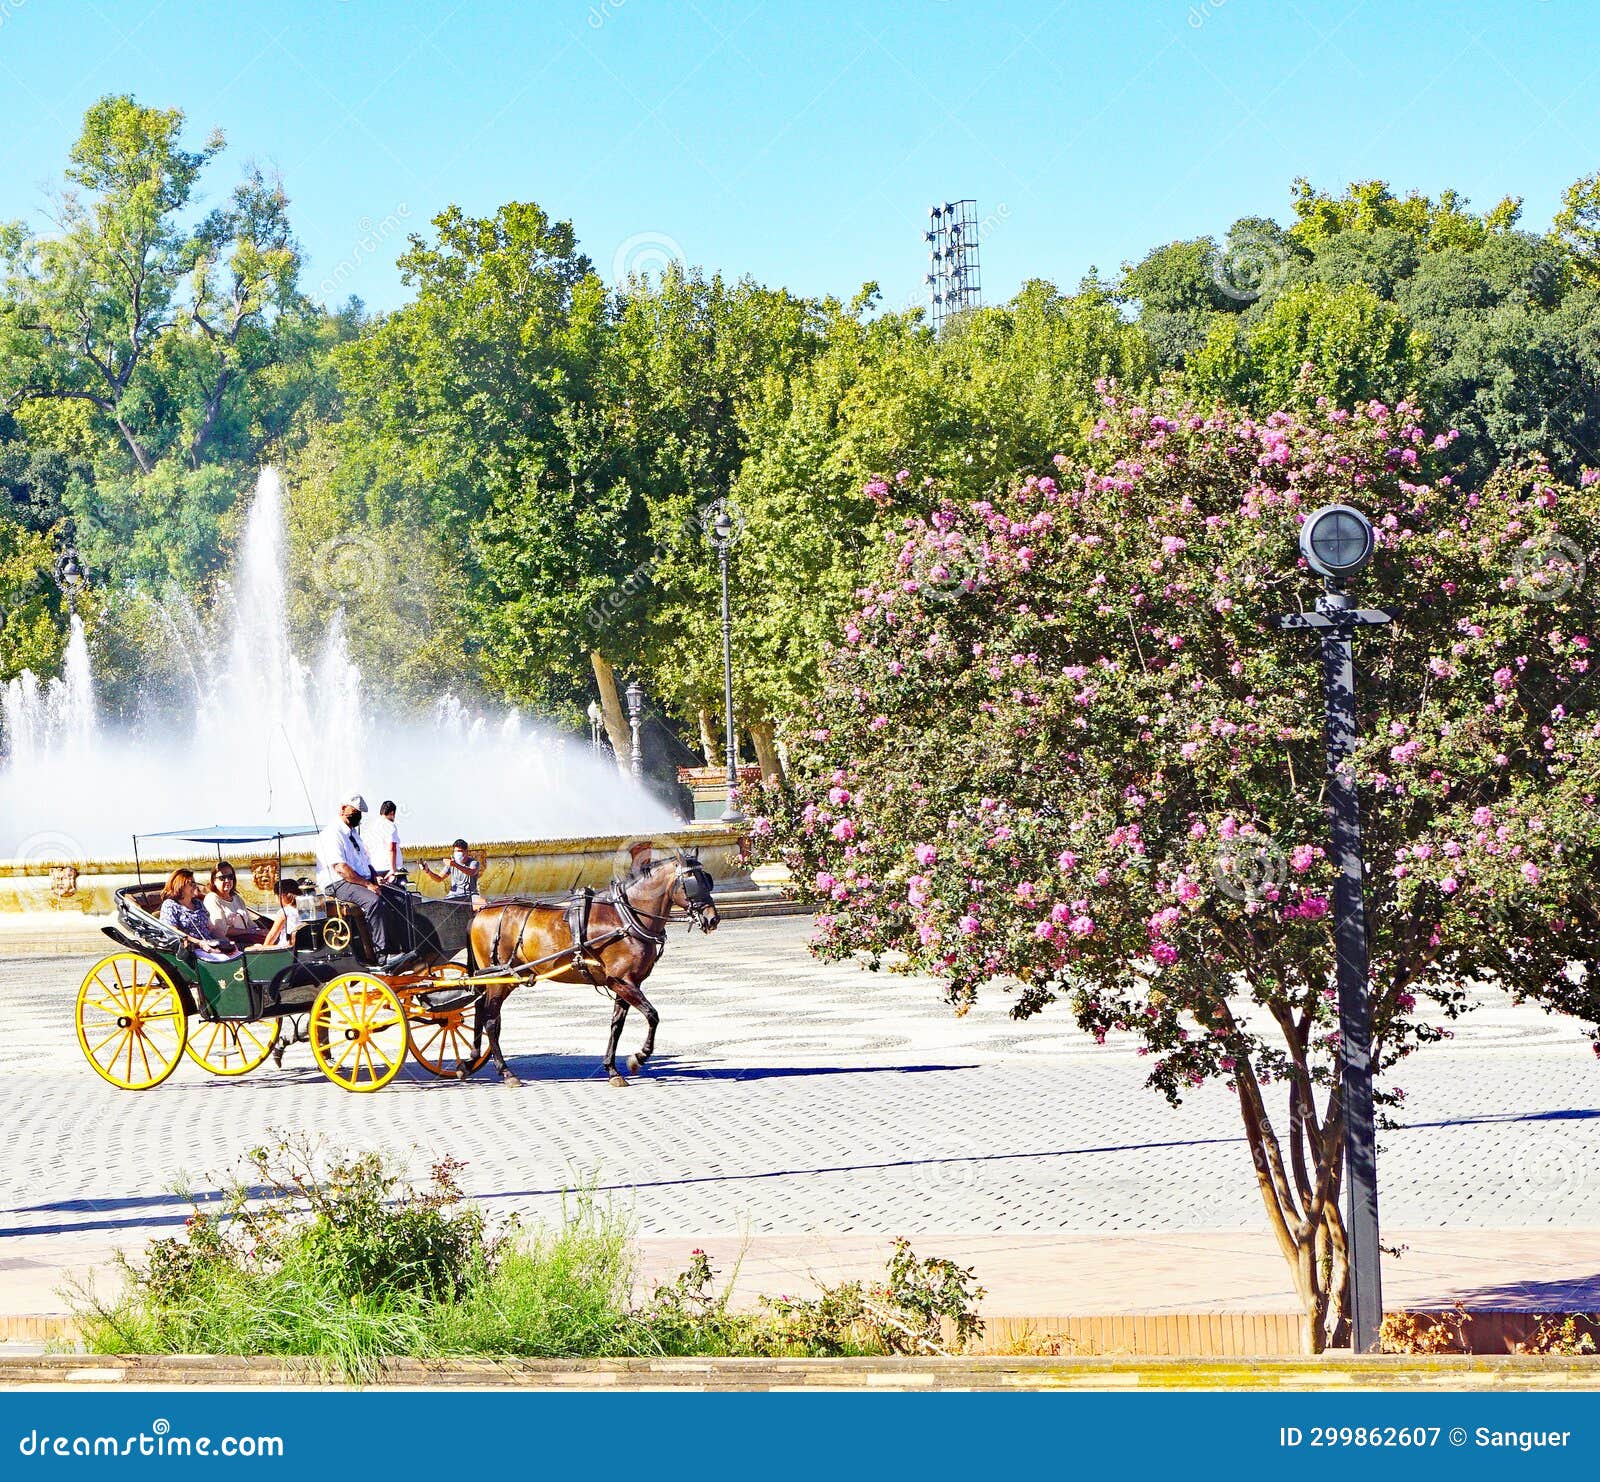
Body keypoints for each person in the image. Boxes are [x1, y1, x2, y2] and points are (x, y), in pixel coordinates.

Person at [315, 793, 410, 965]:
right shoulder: (331, 834)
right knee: (374, 901)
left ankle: (404, 947)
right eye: (355, 812)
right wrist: (368, 884)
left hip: (358, 879)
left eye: (360, 813)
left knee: (400, 897)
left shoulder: (354, 834)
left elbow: (365, 862)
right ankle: (382, 955)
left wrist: (375, 877)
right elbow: (341, 869)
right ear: (343, 809)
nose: (358, 816)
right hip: (338, 883)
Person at [159, 867, 240, 960]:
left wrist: (224, 940)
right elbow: (171, 930)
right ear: (180, 885)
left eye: (195, 882)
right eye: (191, 883)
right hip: (191, 949)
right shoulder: (170, 905)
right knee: (224, 960)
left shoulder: (198, 903)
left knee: (238, 955)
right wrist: (199, 943)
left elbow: (209, 927)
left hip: (209, 945)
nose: (195, 886)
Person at [204, 861, 267, 946]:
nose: (227, 881)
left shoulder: (237, 898)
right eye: (222, 878)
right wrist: (249, 932)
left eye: (230, 877)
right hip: (231, 943)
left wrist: (259, 931)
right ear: (214, 880)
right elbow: (221, 930)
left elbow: (249, 922)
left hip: (248, 938)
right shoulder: (212, 899)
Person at [258, 877, 306, 949]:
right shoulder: (305, 908)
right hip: (302, 945)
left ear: (282, 895)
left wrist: (263, 948)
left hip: (286, 947)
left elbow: (273, 935)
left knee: (251, 948)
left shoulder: (284, 912)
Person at [367, 800, 405, 879]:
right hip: (389, 869)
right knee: (399, 891)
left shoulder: (372, 827)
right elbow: (392, 848)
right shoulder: (390, 825)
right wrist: (393, 869)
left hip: (376, 869)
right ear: (392, 813)